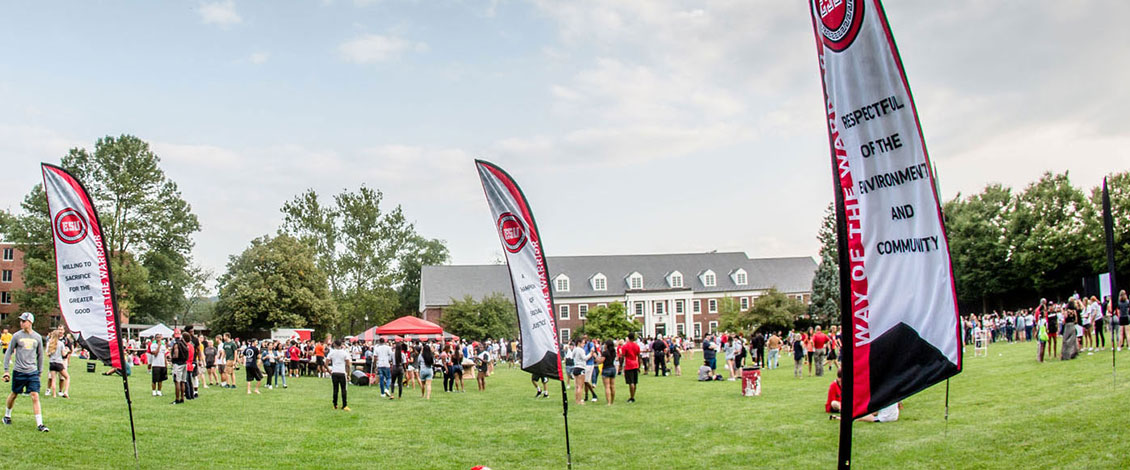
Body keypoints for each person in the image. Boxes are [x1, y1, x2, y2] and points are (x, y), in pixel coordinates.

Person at [2, 313, 48, 432]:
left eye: (24, 321)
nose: (21, 323)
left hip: (32, 372)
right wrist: (6, 370)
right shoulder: (17, 336)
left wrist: (40, 371)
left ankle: (40, 424)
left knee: (35, 396)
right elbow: (8, 353)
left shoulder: (37, 337)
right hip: (19, 371)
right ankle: (7, 416)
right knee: (14, 394)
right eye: (21, 321)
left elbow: (40, 356)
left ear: (30, 322)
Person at [326, 340, 351, 410]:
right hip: (342, 372)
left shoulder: (332, 352)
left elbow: (326, 363)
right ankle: (344, 405)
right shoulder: (344, 353)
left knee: (335, 389)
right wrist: (348, 374)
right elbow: (348, 364)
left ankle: (335, 404)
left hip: (334, 372)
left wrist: (329, 371)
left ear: (334, 344)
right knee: (343, 389)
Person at [46, 328, 70, 399]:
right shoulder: (61, 343)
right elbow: (63, 354)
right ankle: (65, 392)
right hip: (59, 363)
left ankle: (54, 394)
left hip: (52, 363)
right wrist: (67, 351)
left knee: (53, 379)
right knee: (67, 377)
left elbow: (47, 354)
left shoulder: (49, 343)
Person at [619, 333, 641, 403]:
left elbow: (622, 356)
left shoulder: (625, 346)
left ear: (628, 338)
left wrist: (620, 366)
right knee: (634, 382)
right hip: (635, 364)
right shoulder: (637, 346)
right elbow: (639, 356)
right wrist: (639, 366)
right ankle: (633, 395)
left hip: (628, 365)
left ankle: (631, 397)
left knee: (630, 382)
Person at [170, 332, 190, 404]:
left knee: (177, 381)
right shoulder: (186, 345)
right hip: (184, 363)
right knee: (183, 381)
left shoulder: (177, 344)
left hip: (178, 364)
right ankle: (182, 398)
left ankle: (177, 399)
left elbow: (176, 354)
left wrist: (171, 357)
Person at [570, 340, 587, 405]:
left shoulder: (574, 349)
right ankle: (579, 400)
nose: (584, 344)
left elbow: (572, 356)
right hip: (581, 367)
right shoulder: (581, 350)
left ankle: (577, 400)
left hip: (575, 367)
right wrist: (591, 354)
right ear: (579, 343)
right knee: (580, 386)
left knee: (576, 386)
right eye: (583, 343)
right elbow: (584, 358)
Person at [600, 340, 617, 405]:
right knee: (612, 385)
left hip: (606, 368)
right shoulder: (613, 352)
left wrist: (596, 357)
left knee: (607, 386)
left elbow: (601, 361)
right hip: (613, 368)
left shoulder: (605, 352)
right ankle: (612, 401)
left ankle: (609, 402)